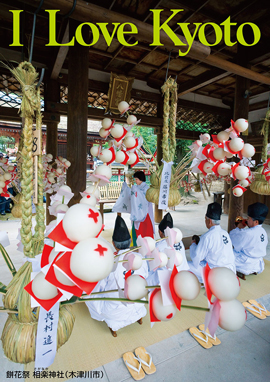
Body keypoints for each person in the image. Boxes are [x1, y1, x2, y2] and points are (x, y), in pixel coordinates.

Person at [86, 216, 148, 337]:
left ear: (113, 244)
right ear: (130, 241)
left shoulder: (110, 264)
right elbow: (145, 277)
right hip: (138, 302)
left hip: (114, 310)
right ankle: (136, 316)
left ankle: (112, 322)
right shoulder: (141, 259)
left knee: (90, 290)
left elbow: (101, 286)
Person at [188, 202, 236, 283]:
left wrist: (193, 245)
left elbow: (196, 258)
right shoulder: (225, 233)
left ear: (209, 221)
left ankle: (207, 281)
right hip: (230, 271)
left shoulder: (207, 237)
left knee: (186, 265)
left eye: (205, 219)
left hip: (216, 272)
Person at [147, 212, 189, 286]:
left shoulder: (158, 246)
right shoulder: (179, 241)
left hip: (168, 278)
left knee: (145, 278)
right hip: (183, 275)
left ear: (160, 232)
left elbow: (150, 265)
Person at [230, 202, 268, 279]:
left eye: (248, 218)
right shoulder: (263, 231)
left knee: (225, 253)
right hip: (258, 264)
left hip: (245, 264)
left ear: (256, 222)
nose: (246, 220)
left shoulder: (247, 233)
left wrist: (238, 228)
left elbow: (232, 240)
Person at [130, 171, 154, 245]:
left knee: (145, 233)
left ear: (141, 179)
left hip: (145, 214)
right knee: (137, 232)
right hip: (137, 213)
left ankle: (148, 246)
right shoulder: (136, 187)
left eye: (136, 179)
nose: (135, 181)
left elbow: (143, 201)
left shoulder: (146, 189)